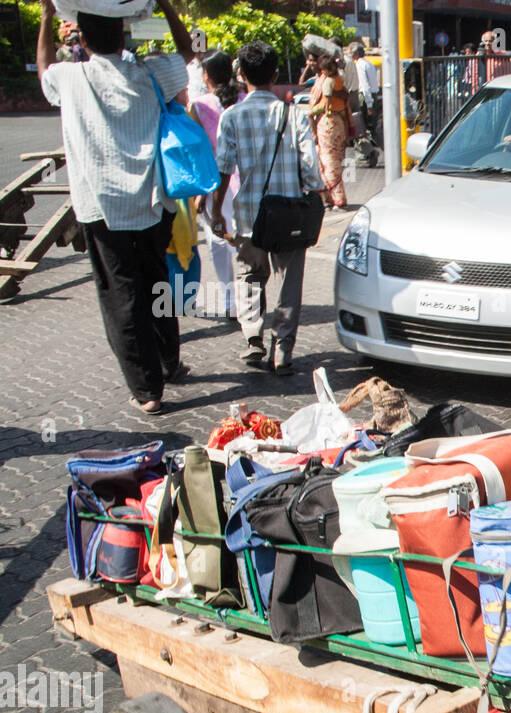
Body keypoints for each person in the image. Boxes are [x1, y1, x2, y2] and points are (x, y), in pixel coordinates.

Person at [37, 0, 195, 416]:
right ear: (124, 34)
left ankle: (148, 390)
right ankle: (170, 362)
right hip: (150, 201)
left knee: (121, 294)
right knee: (156, 281)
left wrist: (46, 17)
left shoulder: (70, 77)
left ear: (82, 39)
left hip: (100, 207)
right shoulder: (150, 72)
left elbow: (43, 71)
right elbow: (187, 54)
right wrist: (166, 6)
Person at [212, 40, 326, 377]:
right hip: (289, 214)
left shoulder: (231, 116)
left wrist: (217, 211)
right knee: (289, 283)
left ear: (241, 74)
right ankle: (283, 351)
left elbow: (224, 168)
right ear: (276, 74)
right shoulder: (294, 115)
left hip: (249, 214)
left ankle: (252, 338)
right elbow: (311, 171)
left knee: (250, 276)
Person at [190, 49, 243, 319]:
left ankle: (230, 302)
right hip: (246, 182)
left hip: (215, 186)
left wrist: (200, 192)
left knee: (219, 244)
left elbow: (198, 154)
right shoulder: (245, 99)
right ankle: (251, 299)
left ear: (205, 75)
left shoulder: (198, 106)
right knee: (244, 244)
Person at [308, 54, 349, 209]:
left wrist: (311, 113)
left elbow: (325, 103)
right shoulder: (339, 80)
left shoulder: (326, 82)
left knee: (328, 162)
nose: (309, 63)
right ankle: (331, 197)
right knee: (332, 161)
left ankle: (336, 198)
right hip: (338, 124)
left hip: (328, 124)